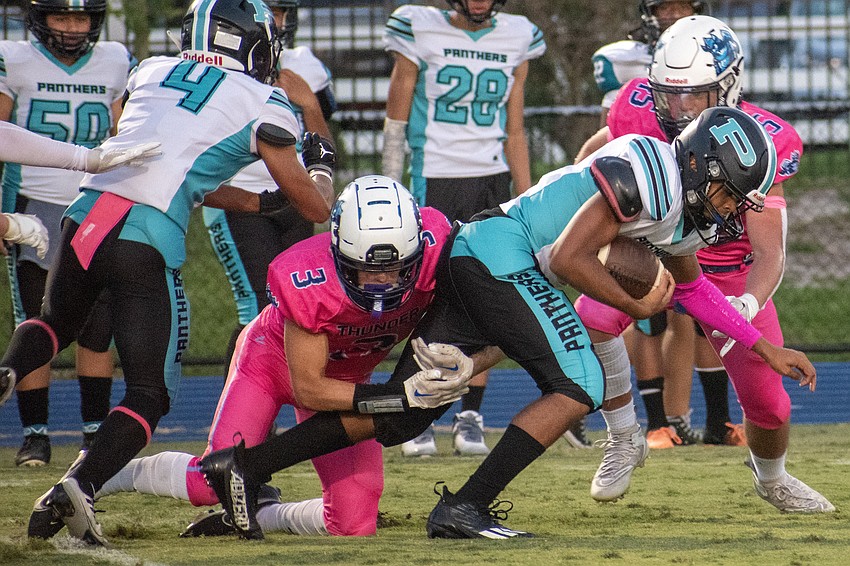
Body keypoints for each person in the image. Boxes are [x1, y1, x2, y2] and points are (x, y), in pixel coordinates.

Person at [198, 106, 817, 540]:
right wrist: (633, 306)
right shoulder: (647, 175)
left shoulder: (681, 209)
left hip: (490, 258)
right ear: (708, 169)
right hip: (501, 255)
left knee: (409, 410)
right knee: (579, 387)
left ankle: (246, 469)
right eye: (735, 193)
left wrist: (763, 347)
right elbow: (574, 258)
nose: (736, 209)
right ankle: (466, 507)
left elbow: (696, 290)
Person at [3, 0, 335, 547]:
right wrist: (320, 165)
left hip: (86, 213)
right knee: (151, 393)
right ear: (249, 40)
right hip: (145, 232)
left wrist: (259, 205)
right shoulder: (263, 97)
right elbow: (317, 208)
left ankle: (10, 369)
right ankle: (75, 487)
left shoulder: (152, 70)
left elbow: (168, 159)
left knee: (55, 321)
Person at [90, 177, 467, 539]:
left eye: (394, 267)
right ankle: (97, 475)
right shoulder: (309, 278)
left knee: (355, 523)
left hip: (349, 380)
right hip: (270, 369)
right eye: (367, 268)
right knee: (207, 484)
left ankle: (266, 516)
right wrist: (396, 398)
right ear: (338, 251)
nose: (383, 281)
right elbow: (310, 390)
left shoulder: (438, 249)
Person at [576, 15, 834, 513]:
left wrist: (748, 301)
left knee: (771, 407)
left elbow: (770, 252)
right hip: (657, 254)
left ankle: (771, 477)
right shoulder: (636, 108)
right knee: (593, 318)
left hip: (728, 271)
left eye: (694, 94)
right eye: (669, 94)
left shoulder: (762, 138)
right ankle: (625, 435)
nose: (679, 108)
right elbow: (596, 152)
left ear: (728, 86)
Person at [382, 0, 546, 457]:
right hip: (434, 174)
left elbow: (514, 128)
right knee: (428, 297)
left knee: (490, 293)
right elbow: (396, 119)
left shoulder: (517, 34)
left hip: (491, 179)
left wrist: (527, 197)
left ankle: (469, 413)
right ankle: (415, 413)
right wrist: (391, 184)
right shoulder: (419, 26)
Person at [0, 0, 137, 467]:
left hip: (94, 200)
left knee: (99, 326)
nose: (74, 28)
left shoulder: (116, 60)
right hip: (33, 199)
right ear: (40, 18)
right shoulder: (13, 58)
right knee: (39, 318)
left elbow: (128, 127)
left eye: (81, 18)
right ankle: (36, 435)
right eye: (63, 17)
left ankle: (94, 432)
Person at [590, 0, 708, 450]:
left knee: (688, 316)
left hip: (689, 198)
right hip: (642, 197)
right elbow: (608, 139)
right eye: (665, 6)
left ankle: (677, 418)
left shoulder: (710, 51)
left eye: (682, 5)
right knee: (642, 317)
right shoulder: (624, 61)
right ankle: (646, 420)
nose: (673, 14)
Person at [202, 0, 338, 374]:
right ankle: (239, 411)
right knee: (257, 306)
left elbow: (323, 147)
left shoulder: (305, 65)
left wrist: (309, 104)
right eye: (266, 12)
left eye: (279, 12)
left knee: (300, 305)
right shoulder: (215, 67)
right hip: (238, 200)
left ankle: (292, 397)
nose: (273, 22)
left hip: (295, 197)